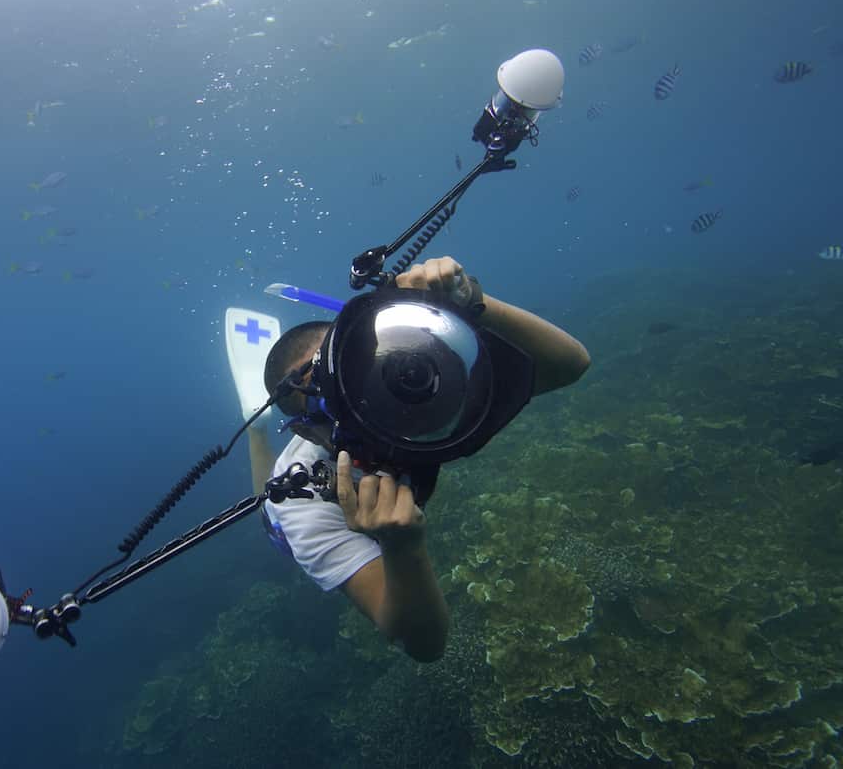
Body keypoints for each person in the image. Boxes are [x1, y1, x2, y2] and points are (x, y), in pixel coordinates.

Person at [247, 256, 590, 662]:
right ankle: (254, 425)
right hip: (293, 499)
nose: (368, 400)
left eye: (357, 369)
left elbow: (570, 365)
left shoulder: (418, 368)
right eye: (334, 404)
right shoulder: (307, 505)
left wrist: (471, 301)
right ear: (309, 429)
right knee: (270, 514)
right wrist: (401, 547)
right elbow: (425, 646)